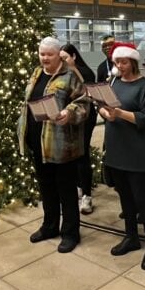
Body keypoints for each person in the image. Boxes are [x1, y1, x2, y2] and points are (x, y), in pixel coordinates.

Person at [18, 36, 89, 253]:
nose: (45, 58)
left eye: (49, 54)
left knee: (66, 192)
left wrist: (70, 112)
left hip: (62, 147)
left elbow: (84, 103)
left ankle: (70, 233)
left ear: (59, 54)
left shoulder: (70, 76)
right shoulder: (37, 73)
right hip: (38, 143)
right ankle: (49, 226)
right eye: (42, 54)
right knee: (46, 189)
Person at [97, 42, 145, 270]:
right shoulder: (113, 82)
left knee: (143, 200)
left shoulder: (143, 86)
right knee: (124, 197)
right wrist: (106, 112)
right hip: (116, 147)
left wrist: (119, 113)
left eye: (123, 62)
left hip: (135, 150)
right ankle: (131, 236)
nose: (120, 66)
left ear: (132, 62)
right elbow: (103, 107)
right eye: (117, 62)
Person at [61, 42, 98, 215]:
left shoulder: (85, 72)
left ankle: (87, 195)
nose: (63, 61)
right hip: (69, 118)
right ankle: (77, 186)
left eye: (65, 58)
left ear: (74, 56)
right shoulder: (62, 74)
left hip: (86, 117)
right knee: (72, 154)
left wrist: (72, 69)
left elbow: (88, 95)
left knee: (82, 155)